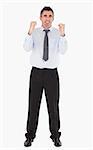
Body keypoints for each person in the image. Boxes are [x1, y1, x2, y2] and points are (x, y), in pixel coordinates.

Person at [23, 6, 67, 147]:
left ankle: (55, 135)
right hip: (36, 73)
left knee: (53, 106)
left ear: (53, 18)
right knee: (33, 105)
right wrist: (29, 32)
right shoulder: (34, 32)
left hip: (51, 74)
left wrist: (62, 35)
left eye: (50, 16)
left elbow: (63, 50)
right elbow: (26, 48)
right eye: (45, 16)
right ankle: (30, 136)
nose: (47, 19)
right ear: (40, 17)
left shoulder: (57, 33)